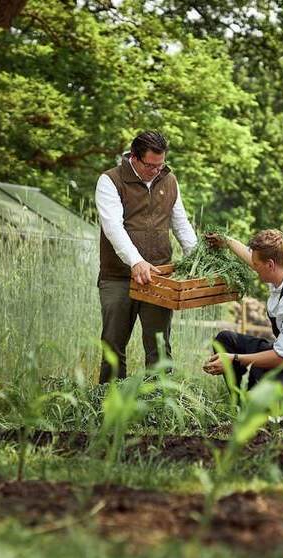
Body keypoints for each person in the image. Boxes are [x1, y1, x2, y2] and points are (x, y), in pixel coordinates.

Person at [95, 131, 197, 382]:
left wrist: (196, 258)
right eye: (150, 165)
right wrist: (136, 261)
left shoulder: (169, 180)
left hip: (160, 277)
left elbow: (180, 223)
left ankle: (159, 404)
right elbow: (113, 227)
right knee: (113, 344)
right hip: (118, 277)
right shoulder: (110, 180)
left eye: (160, 164)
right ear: (135, 158)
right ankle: (109, 402)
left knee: (159, 347)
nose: (156, 170)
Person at [202, 229, 283, 405]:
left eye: (257, 265)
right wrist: (226, 241)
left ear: (270, 265)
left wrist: (234, 358)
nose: (254, 267)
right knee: (225, 340)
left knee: (250, 370)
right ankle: (242, 406)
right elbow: (253, 258)